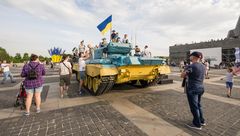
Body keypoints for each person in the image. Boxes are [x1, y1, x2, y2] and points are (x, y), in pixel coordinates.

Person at [181, 51, 205, 130]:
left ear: (194, 57)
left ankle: (197, 124)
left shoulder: (191, 66)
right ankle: (202, 121)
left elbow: (182, 75)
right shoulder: (203, 66)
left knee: (194, 107)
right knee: (198, 105)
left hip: (192, 88)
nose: (189, 57)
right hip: (201, 87)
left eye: (190, 56)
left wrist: (184, 70)